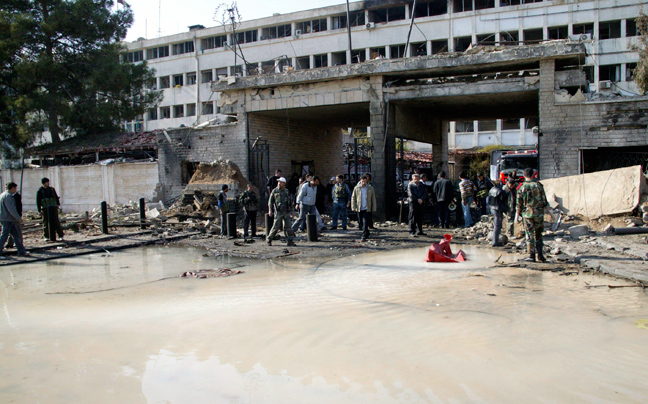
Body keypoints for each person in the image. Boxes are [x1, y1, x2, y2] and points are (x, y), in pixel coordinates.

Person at [516, 167, 549, 262]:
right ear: (533, 174)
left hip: (527, 215)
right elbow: (544, 200)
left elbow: (519, 203)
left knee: (529, 234)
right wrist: (548, 210)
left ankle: (531, 255)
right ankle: (540, 255)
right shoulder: (539, 186)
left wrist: (517, 216)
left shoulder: (522, 187)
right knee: (538, 234)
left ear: (524, 175)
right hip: (539, 213)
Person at [0, 182, 28, 258]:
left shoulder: (2, 195)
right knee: (4, 236)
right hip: (8, 219)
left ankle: (21, 251)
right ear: (12, 188)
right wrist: (18, 218)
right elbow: (11, 209)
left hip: (7, 218)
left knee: (16, 235)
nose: (15, 190)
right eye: (15, 188)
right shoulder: (8, 196)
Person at [267, 177, 296, 246]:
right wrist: (270, 210)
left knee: (288, 227)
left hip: (286, 212)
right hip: (278, 212)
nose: (279, 183)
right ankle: (269, 239)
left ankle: (290, 241)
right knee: (276, 226)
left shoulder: (286, 191)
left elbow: (289, 202)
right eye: (278, 182)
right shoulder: (275, 191)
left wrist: (292, 211)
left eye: (281, 182)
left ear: (284, 183)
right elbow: (270, 202)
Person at [351, 175, 377, 242]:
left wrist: (374, 207)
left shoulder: (370, 188)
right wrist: (353, 206)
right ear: (360, 181)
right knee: (361, 223)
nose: (364, 183)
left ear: (367, 181)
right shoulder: (356, 188)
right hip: (359, 208)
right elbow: (353, 198)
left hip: (367, 208)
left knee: (365, 222)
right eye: (362, 181)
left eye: (365, 181)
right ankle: (367, 232)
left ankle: (363, 236)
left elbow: (373, 198)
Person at [488, 180, 509, 247]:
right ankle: (495, 242)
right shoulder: (499, 191)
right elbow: (503, 199)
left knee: (496, 225)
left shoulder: (491, 190)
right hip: (498, 209)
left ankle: (495, 241)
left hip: (492, 208)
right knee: (497, 226)